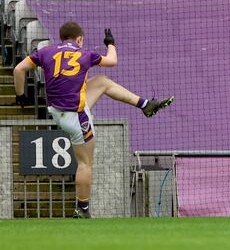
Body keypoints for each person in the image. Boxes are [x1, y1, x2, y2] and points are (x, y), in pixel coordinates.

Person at [13, 22, 175, 218]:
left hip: (58, 109)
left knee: (102, 82)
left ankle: (145, 104)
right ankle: (82, 208)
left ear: (62, 37)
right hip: (75, 114)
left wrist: (21, 95)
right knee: (85, 163)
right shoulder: (85, 54)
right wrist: (111, 43)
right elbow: (112, 61)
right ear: (79, 39)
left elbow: (19, 69)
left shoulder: (46, 51)